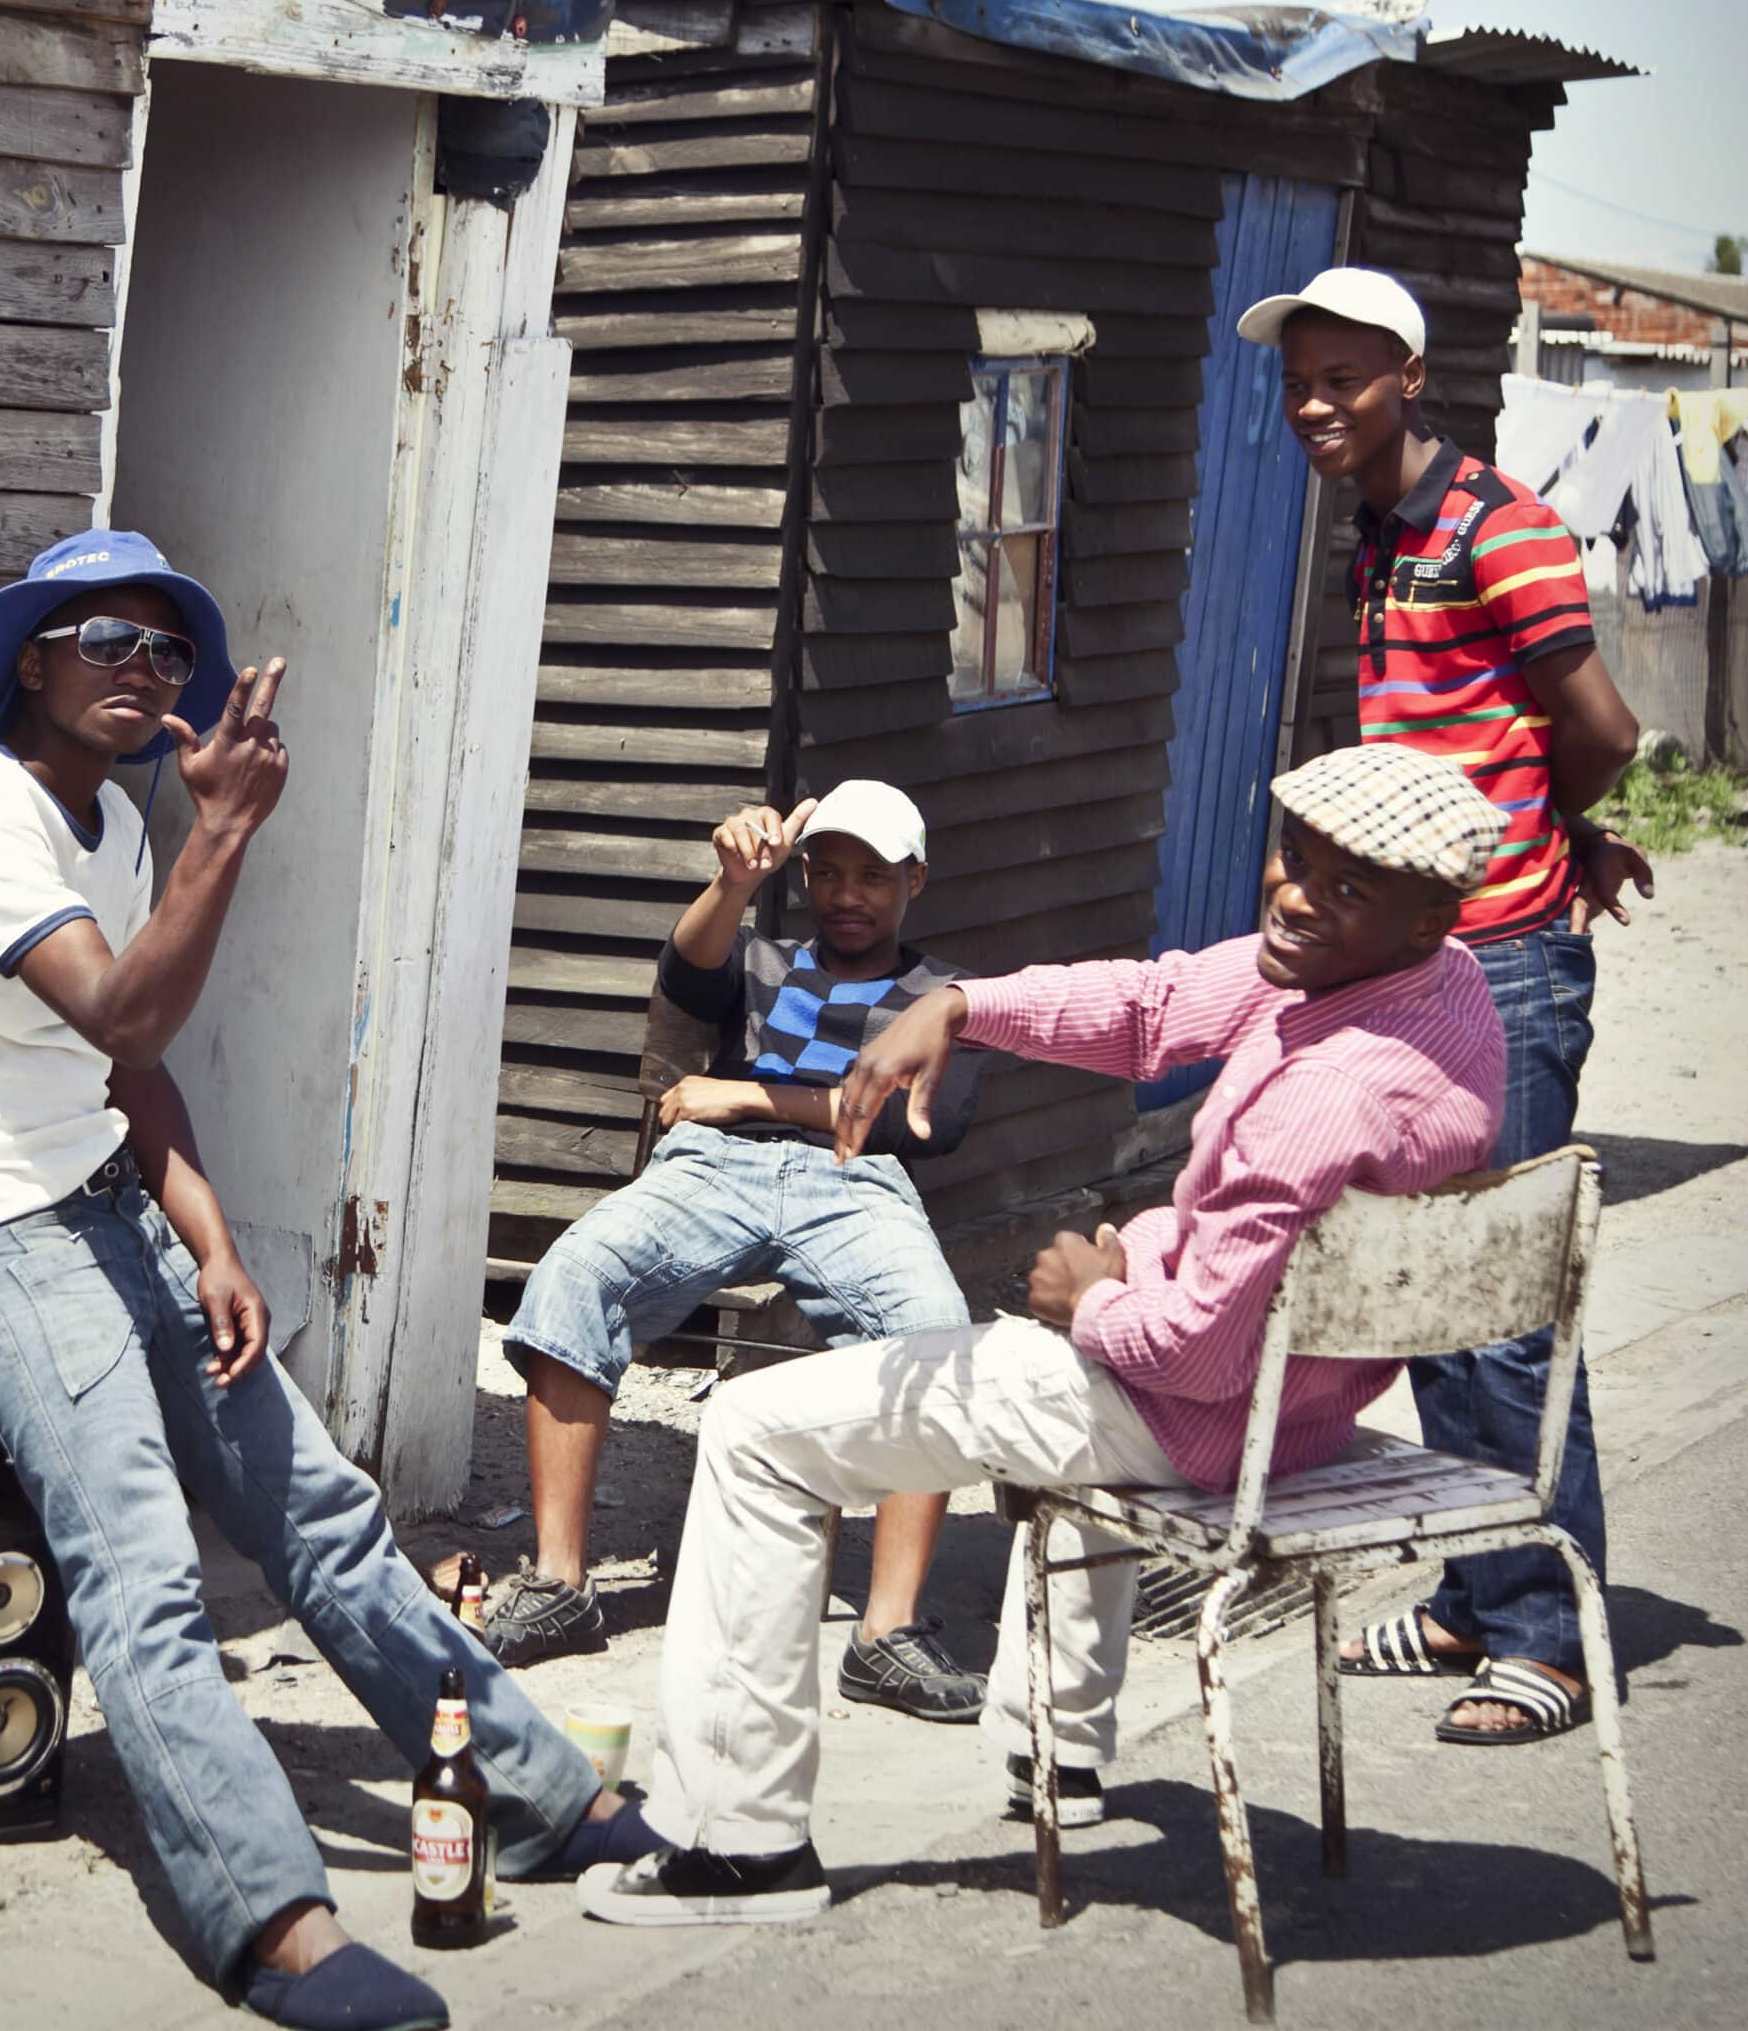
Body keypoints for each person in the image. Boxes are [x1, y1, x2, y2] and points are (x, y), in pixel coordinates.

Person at [0, 530, 657, 2029]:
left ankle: (539, 1801)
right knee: (144, 1577)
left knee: (327, 1523)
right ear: (31, 660)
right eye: (109, 641)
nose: (146, 673)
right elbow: (128, 1014)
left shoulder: (107, 823)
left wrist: (210, 1236)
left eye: (167, 653)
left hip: (105, 1205)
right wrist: (226, 837)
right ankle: (278, 1925)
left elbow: (125, 1076)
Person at [579, 743, 1506, 1925]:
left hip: (1193, 1414)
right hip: (1308, 1399)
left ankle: (736, 1846)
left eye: (1347, 886)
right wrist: (959, 1005)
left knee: (759, 1429)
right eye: (1295, 860)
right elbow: (1154, 1005)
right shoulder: (1436, 985)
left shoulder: (1342, 1087)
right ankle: (1055, 1751)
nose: (1293, 894)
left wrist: (1093, 1299)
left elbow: (1198, 1354)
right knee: (1118, 1274)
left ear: (1430, 911)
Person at [1245, 266, 1649, 1746]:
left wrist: (1549, 842)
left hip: (1506, 960)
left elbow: (1599, 726)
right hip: (1409, 961)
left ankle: (1551, 1630)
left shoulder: (1500, 528)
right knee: (1421, 1292)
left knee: (1503, 1305)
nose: (1313, 407)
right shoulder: (1380, 534)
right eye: (1298, 383)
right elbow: (1460, 733)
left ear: (1411, 377)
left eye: (1341, 380)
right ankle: (1481, 1589)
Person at [489, 781, 987, 1723]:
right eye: (827, 872)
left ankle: (886, 1633)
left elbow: (928, 1123)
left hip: (854, 1182)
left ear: (915, 880)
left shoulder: (939, 995)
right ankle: (560, 1582)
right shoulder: (758, 958)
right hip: (712, 1169)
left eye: (874, 876)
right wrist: (729, 884)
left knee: (935, 1332)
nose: (847, 894)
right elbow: (686, 979)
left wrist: (742, 1095)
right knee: (574, 1277)